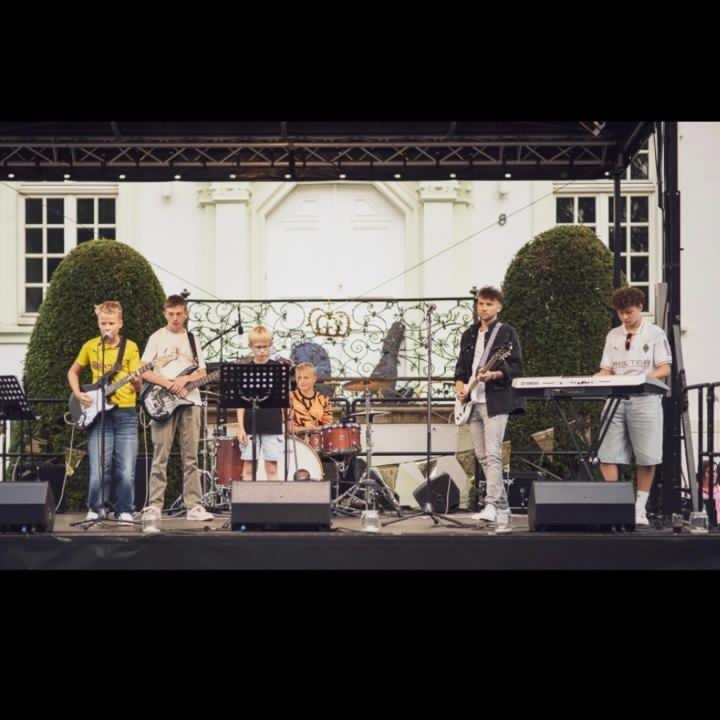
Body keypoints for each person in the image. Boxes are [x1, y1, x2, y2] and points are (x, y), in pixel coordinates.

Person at [596, 287, 672, 526]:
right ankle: (615, 506)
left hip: (645, 399)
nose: (624, 317)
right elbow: (606, 368)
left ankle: (639, 508)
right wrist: (597, 378)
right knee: (607, 453)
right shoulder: (613, 335)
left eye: (628, 312)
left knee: (647, 456)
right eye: (620, 313)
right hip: (615, 398)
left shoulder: (655, 334)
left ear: (640, 307)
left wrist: (642, 379)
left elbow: (665, 368)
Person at [140, 294, 214, 522]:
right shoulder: (156, 337)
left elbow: (202, 372)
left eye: (179, 314)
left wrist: (185, 380)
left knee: (191, 456)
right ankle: (154, 505)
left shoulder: (192, 338)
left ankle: (194, 505)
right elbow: (144, 370)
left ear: (186, 314)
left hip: (190, 401)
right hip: (162, 401)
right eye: (171, 314)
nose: (175, 318)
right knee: (160, 455)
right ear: (165, 314)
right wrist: (168, 384)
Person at [454, 286, 524, 522]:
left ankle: (492, 504)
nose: (483, 308)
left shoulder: (506, 333)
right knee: (482, 455)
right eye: (480, 304)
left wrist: (494, 375)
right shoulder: (469, 334)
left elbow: (516, 368)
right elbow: (461, 368)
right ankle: (502, 507)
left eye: (488, 304)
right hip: (472, 401)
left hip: (495, 401)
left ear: (499, 307)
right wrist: (460, 388)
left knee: (493, 454)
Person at [67, 300, 141, 523]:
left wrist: (137, 382)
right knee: (99, 467)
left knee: (126, 467)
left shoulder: (130, 347)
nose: (107, 327)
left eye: (111, 323)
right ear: (98, 324)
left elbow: (138, 385)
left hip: (126, 412)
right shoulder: (91, 346)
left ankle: (125, 509)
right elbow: (73, 372)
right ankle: (96, 507)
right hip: (98, 414)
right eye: (103, 323)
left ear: (120, 323)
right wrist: (78, 393)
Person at [236, 326, 287, 480]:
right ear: (251, 347)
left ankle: (272, 496)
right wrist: (240, 427)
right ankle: (248, 496)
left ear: (270, 346)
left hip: (272, 423)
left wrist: (285, 422)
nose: (262, 351)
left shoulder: (278, 368)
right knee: (249, 467)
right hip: (250, 423)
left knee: (272, 467)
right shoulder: (245, 370)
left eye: (266, 346)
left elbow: (283, 399)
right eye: (258, 347)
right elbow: (240, 402)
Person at [289, 362, 333, 431]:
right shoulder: (289, 397)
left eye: (306, 378)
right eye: (299, 378)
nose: (301, 381)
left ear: (314, 379)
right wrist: (309, 429)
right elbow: (287, 427)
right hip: (296, 437)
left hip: (318, 436)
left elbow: (328, 426)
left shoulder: (324, 400)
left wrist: (313, 430)